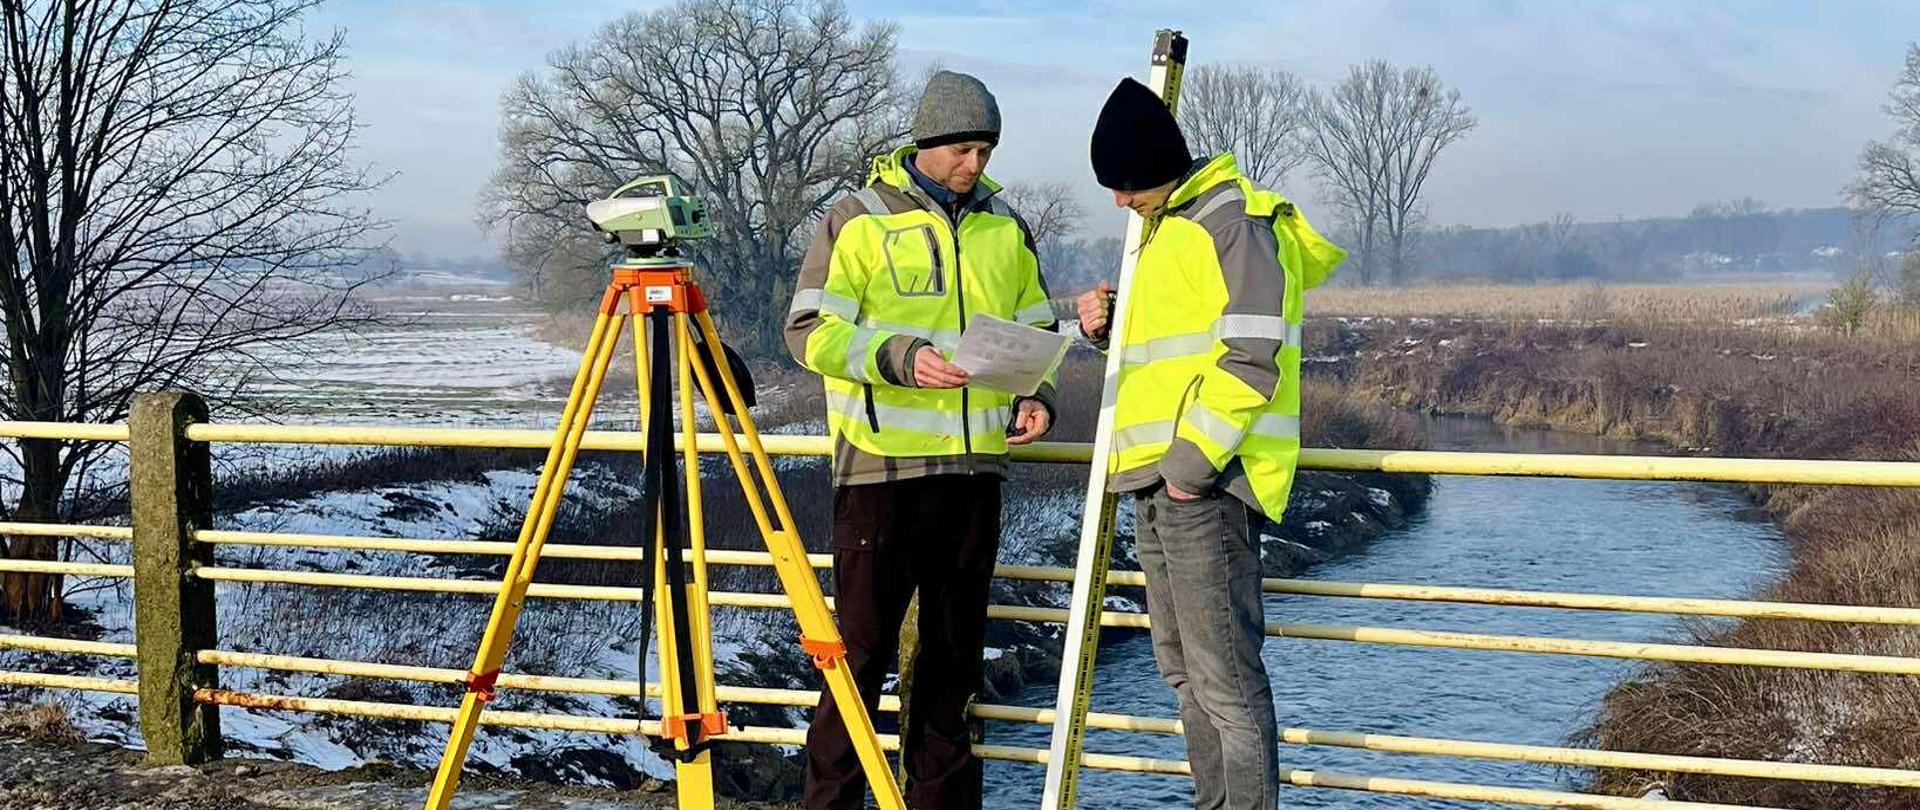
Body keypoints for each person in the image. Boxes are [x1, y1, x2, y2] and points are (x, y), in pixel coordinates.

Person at [784, 69, 1057, 810]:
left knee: (951, 665)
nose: (976, 165)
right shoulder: (855, 218)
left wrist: (1039, 394)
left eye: (986, 150)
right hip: (880, 476)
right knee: (859, 663)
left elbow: (1034, 328)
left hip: (975, 475)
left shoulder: (1007, 227)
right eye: (964, 148)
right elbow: (808, 332)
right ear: (926, 143)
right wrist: (898, 356)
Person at [1075, 77, 1346, 810]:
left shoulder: (1230, 223)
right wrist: (1105, 328)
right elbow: (1170, 358)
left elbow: (1252, 360)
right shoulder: (1171, 227)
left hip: (1204, 485)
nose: (1119, 202)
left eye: (1123, 185)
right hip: (1160, 485)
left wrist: (1192, 469)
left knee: (1223, 679)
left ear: (1153, 166)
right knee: (1186, 674)